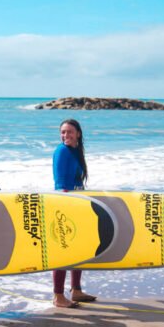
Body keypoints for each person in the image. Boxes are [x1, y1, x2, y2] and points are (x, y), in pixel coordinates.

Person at [51, 118, 96, 308]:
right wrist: (67, 207)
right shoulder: (62, 151)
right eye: (63, 132)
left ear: (78, 133)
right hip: (65, 205)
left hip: (76, 203)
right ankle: (58, 296)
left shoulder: (76, 152)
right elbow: (61, 185)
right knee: (63, 251)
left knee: (79, 249)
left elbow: (77, 183)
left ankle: (76, 290)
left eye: (69, 132)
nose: (65, 135)